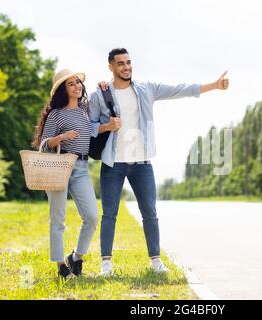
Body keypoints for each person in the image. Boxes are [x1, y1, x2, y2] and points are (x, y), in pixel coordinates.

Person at [89, 48, 229, 276]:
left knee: (150, 212)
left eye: (128, 62)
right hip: (113, 162)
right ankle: (106, 263)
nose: (126, 67)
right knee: (109, 213)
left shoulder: (146, 89)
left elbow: (180, 90)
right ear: (111, 67)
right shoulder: (99, 95)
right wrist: (106, 126)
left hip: (142, 162)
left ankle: (155, 260)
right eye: (121, 64)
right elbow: (89, 126)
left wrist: (214, 85)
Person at [32, 69, 99, 279]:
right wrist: (61, 137)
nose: (77, 86)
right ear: (63, 89)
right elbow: (43, 145)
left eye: (78, 82)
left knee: (91, 216)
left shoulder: (85, 112)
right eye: (71, 83)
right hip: (58, 168)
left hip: (80, 169)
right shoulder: (56, 114)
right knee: (58, 219)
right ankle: (61, 265)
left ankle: (76, 257)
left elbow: (95, 130)